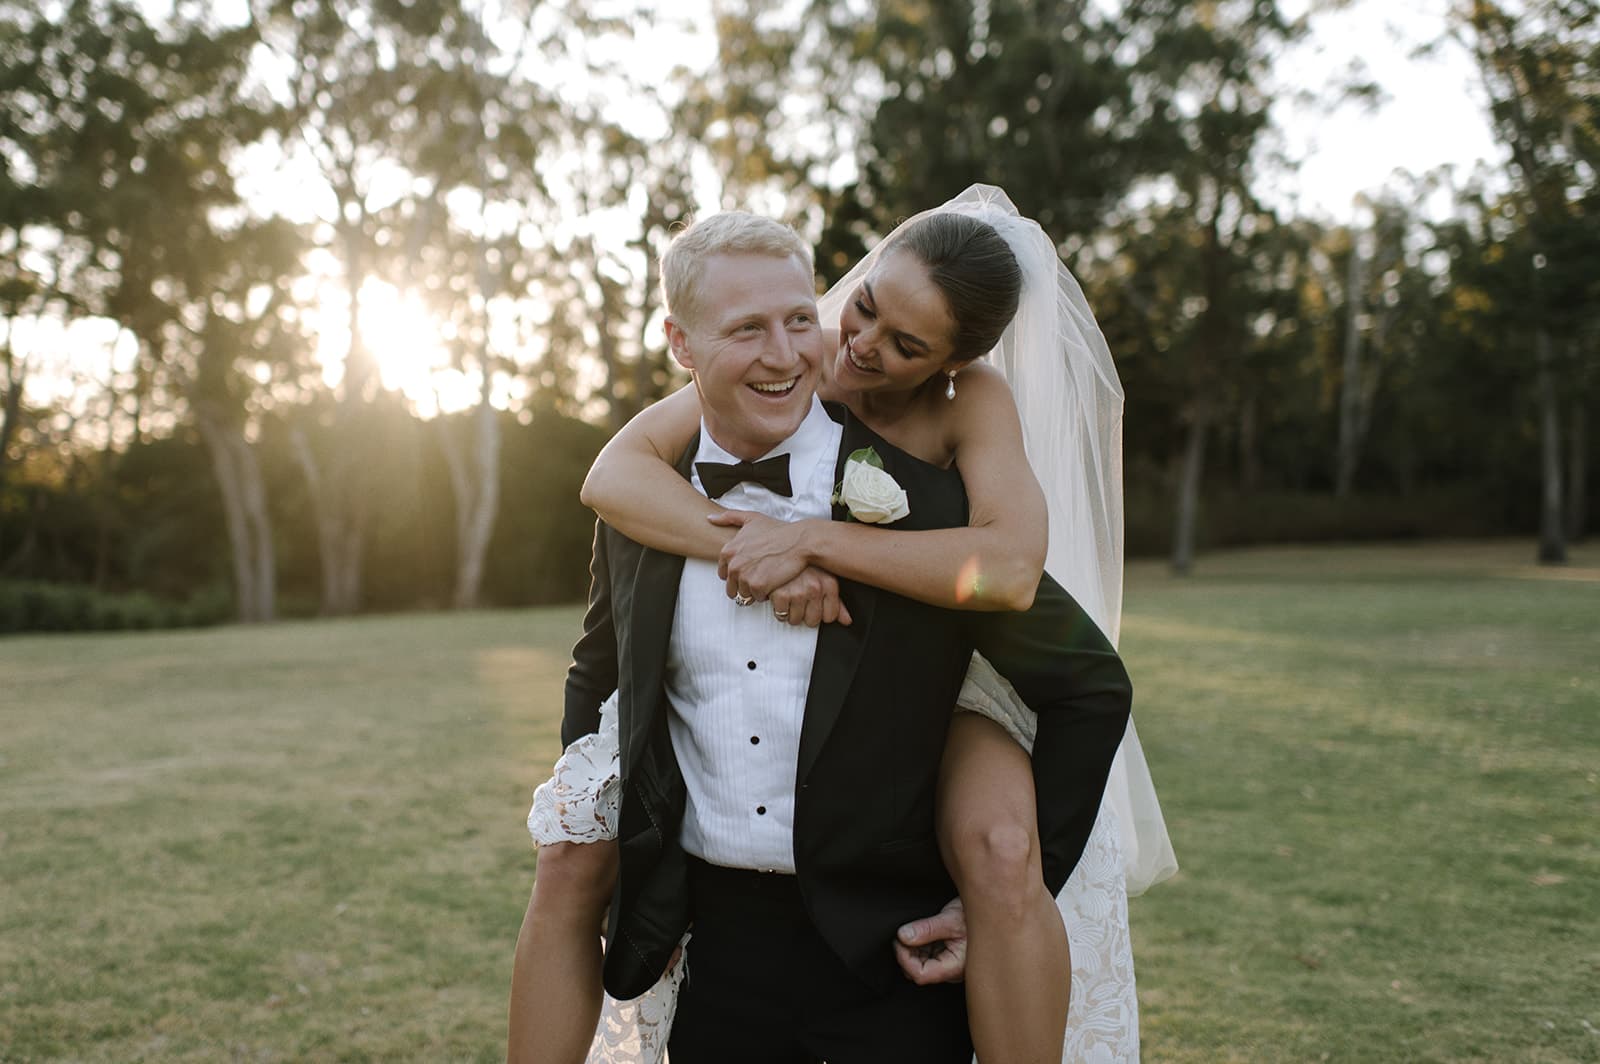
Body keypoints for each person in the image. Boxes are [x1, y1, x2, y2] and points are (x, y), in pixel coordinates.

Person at [507, 202, 1135, 1064]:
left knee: (1001, 848)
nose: (852, 344)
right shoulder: (680, 461)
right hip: (725, 946)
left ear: (951, 363)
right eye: (862, 306)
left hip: (936, 730)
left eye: (804, 319)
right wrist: (757, 548)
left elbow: (1021, 586)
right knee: (565, 862)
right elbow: (609, 519)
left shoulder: (945, 452)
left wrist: (816, 541)